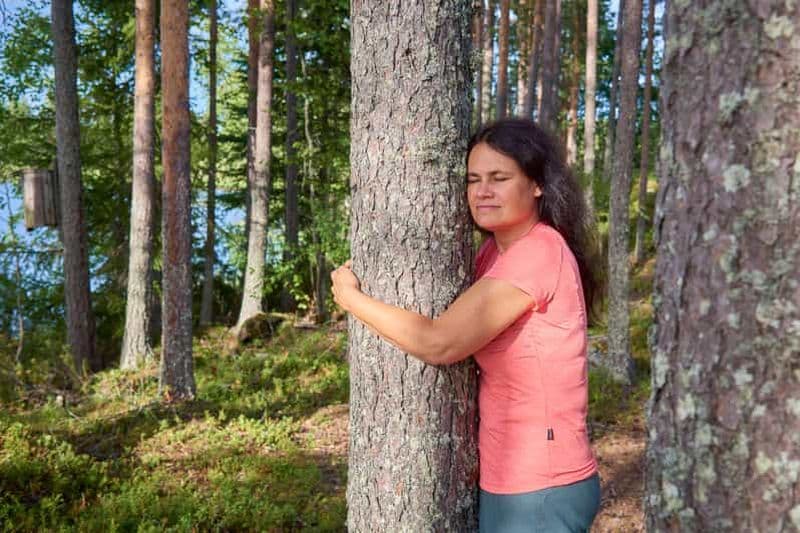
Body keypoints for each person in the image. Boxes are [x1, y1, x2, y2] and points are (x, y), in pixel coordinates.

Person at [331, 118, 602, 532]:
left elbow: (440, 342)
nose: (482, 191)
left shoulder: (539, 253)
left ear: (536, 185)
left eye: (499, 177)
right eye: (473, 179)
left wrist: (353, 298)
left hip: (541, 486)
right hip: (513, 477)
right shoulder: (495, 252)